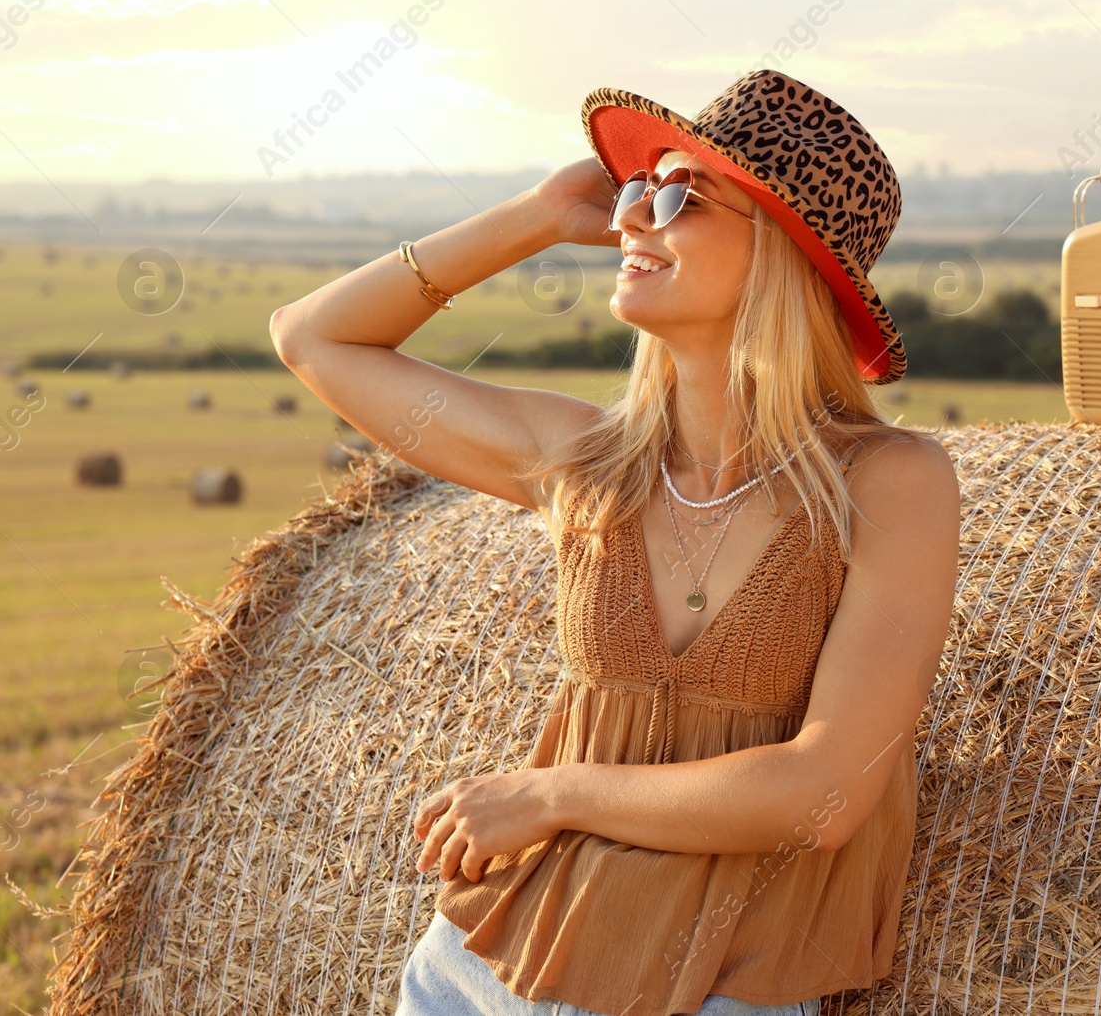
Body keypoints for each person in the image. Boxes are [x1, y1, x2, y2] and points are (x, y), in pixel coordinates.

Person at [270, 68, 961, 1016]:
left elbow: (826, 792)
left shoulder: (889, 483)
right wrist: (539, 215)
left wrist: (556, 793)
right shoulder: (585, 462)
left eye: (680, 194)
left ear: (785, 255)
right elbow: (314, 340)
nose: (634, 217)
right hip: (477, 977)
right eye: (636, 189)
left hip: (718, 989)